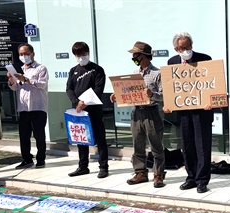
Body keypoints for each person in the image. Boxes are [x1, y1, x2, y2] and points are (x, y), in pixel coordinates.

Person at [111, 41, 166, 188]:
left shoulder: (157, 73)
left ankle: (158, 174)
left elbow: (164, 95)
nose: (134, 58)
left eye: (137, 55)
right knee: (138, 143)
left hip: (151, 111)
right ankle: (140, 172)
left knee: (156, 145)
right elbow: (128, 93)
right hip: (136, 112)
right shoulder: (135, 74)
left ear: (145, 56)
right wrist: (116, 95)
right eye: (133, 55)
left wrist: (152, 94)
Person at [165, 32, 213, 193]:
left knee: (202, 146)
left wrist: (210, 101)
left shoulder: (204, 59)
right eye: (181, 48)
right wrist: (168, 103)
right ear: (175, 48)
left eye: (187, 46)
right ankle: (191, 177)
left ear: (192, 45)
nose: (185, 50)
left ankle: (202, 180)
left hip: (202, 112)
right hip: (183, 111)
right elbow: (170, 86)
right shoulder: (172, 62)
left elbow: (212, 84)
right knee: (187, 145)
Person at [65, 41, 109, 178]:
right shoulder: (73, 70)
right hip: (78, 110)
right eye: (78, 55)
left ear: (88, 53)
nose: (81, 57)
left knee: (100, 138)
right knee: (80, 138)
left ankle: (103, 167)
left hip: (94, 109)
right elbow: (69, 88)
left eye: (83, 54)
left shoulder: (97, 70)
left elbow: (98, 89)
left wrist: (84, 102)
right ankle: (83, 166)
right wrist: (76, 102)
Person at [7, 43, 49, 169]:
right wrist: (12, 79)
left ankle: (41, 159)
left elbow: (42, 84)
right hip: (23, 108)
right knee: (24, 135)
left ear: (32, 54)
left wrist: (25, 79)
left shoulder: (40, 68)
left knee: (39, 135)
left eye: (26, 54)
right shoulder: (20, 69)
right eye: (21, 54)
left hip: (38, 107)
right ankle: (26, 159)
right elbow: (15, 88)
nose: (23, 56)